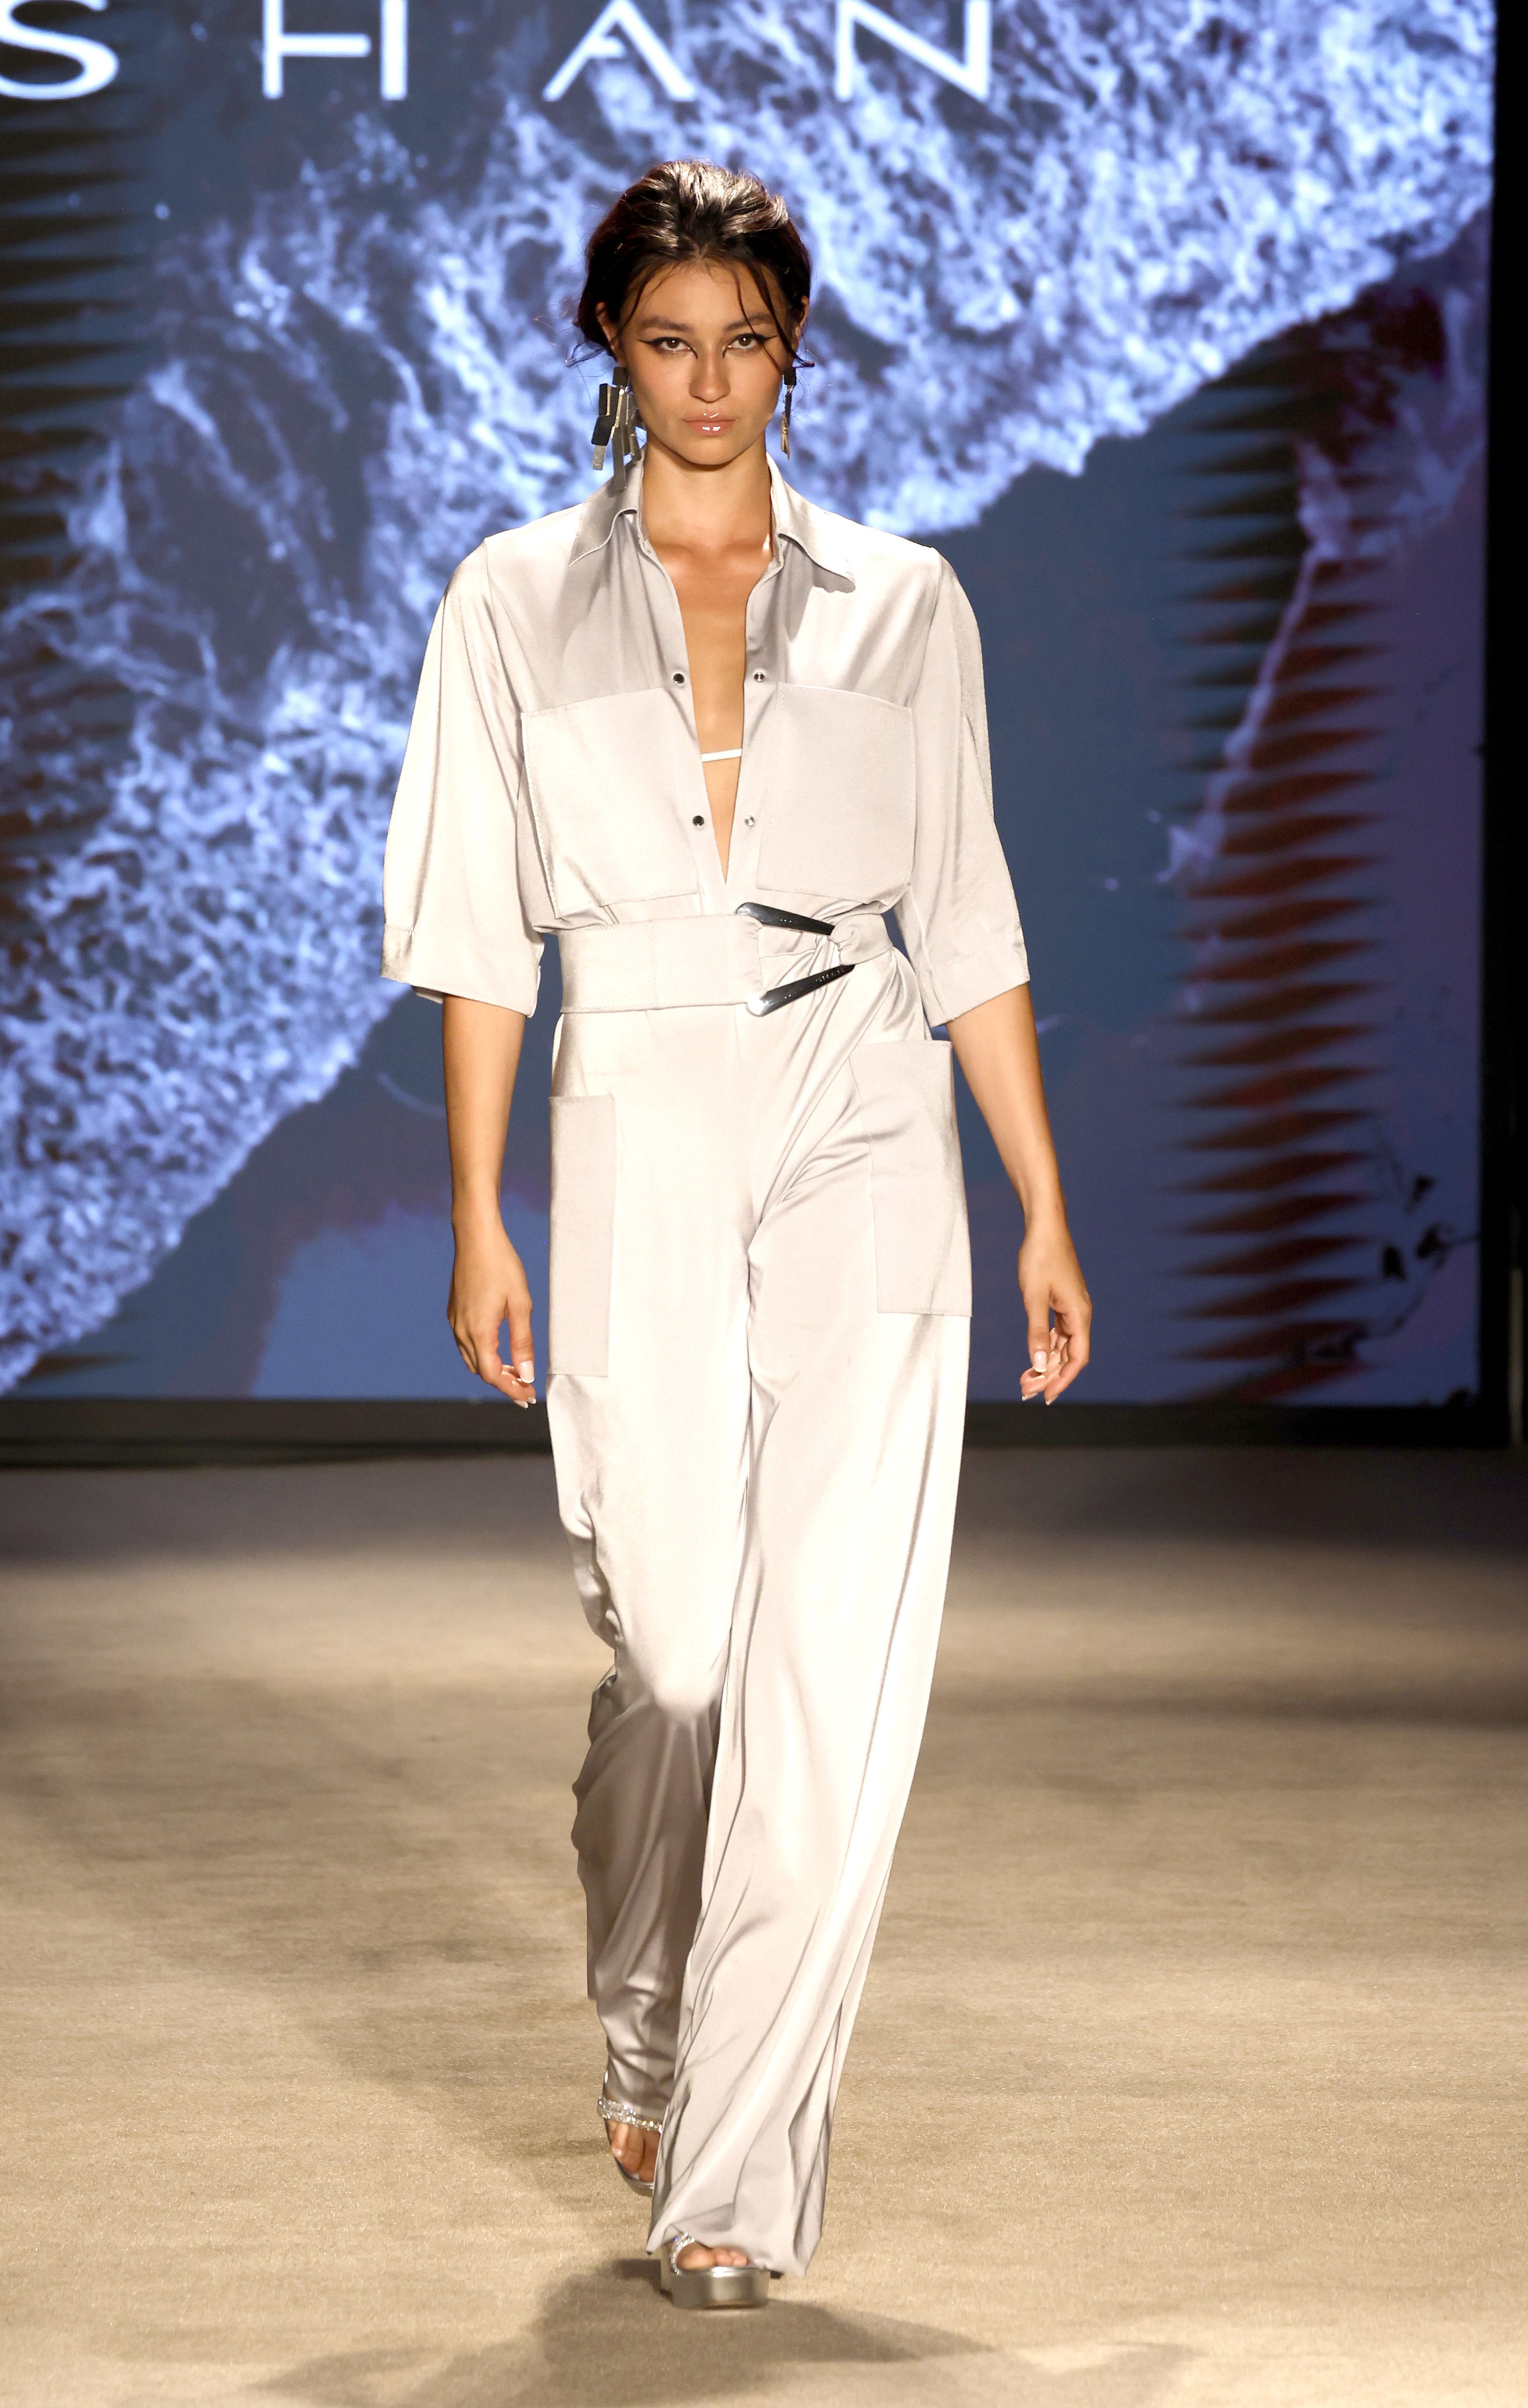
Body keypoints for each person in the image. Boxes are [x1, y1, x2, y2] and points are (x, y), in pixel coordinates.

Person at [381, 159, 1091, 2309]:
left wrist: (1042, 1195)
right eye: (670, 338)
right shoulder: (509, 596)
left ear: (796, 347)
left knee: (825, 1678)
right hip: (639, 1092)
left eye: (747, 339)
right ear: (615, 345)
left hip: (865, 1094)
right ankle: (648, 2008)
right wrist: (477, 1209)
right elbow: (479, 935)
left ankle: (736, 2176)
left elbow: (966, 914)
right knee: (679, 1653)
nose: (710, 379)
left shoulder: (910, 600)